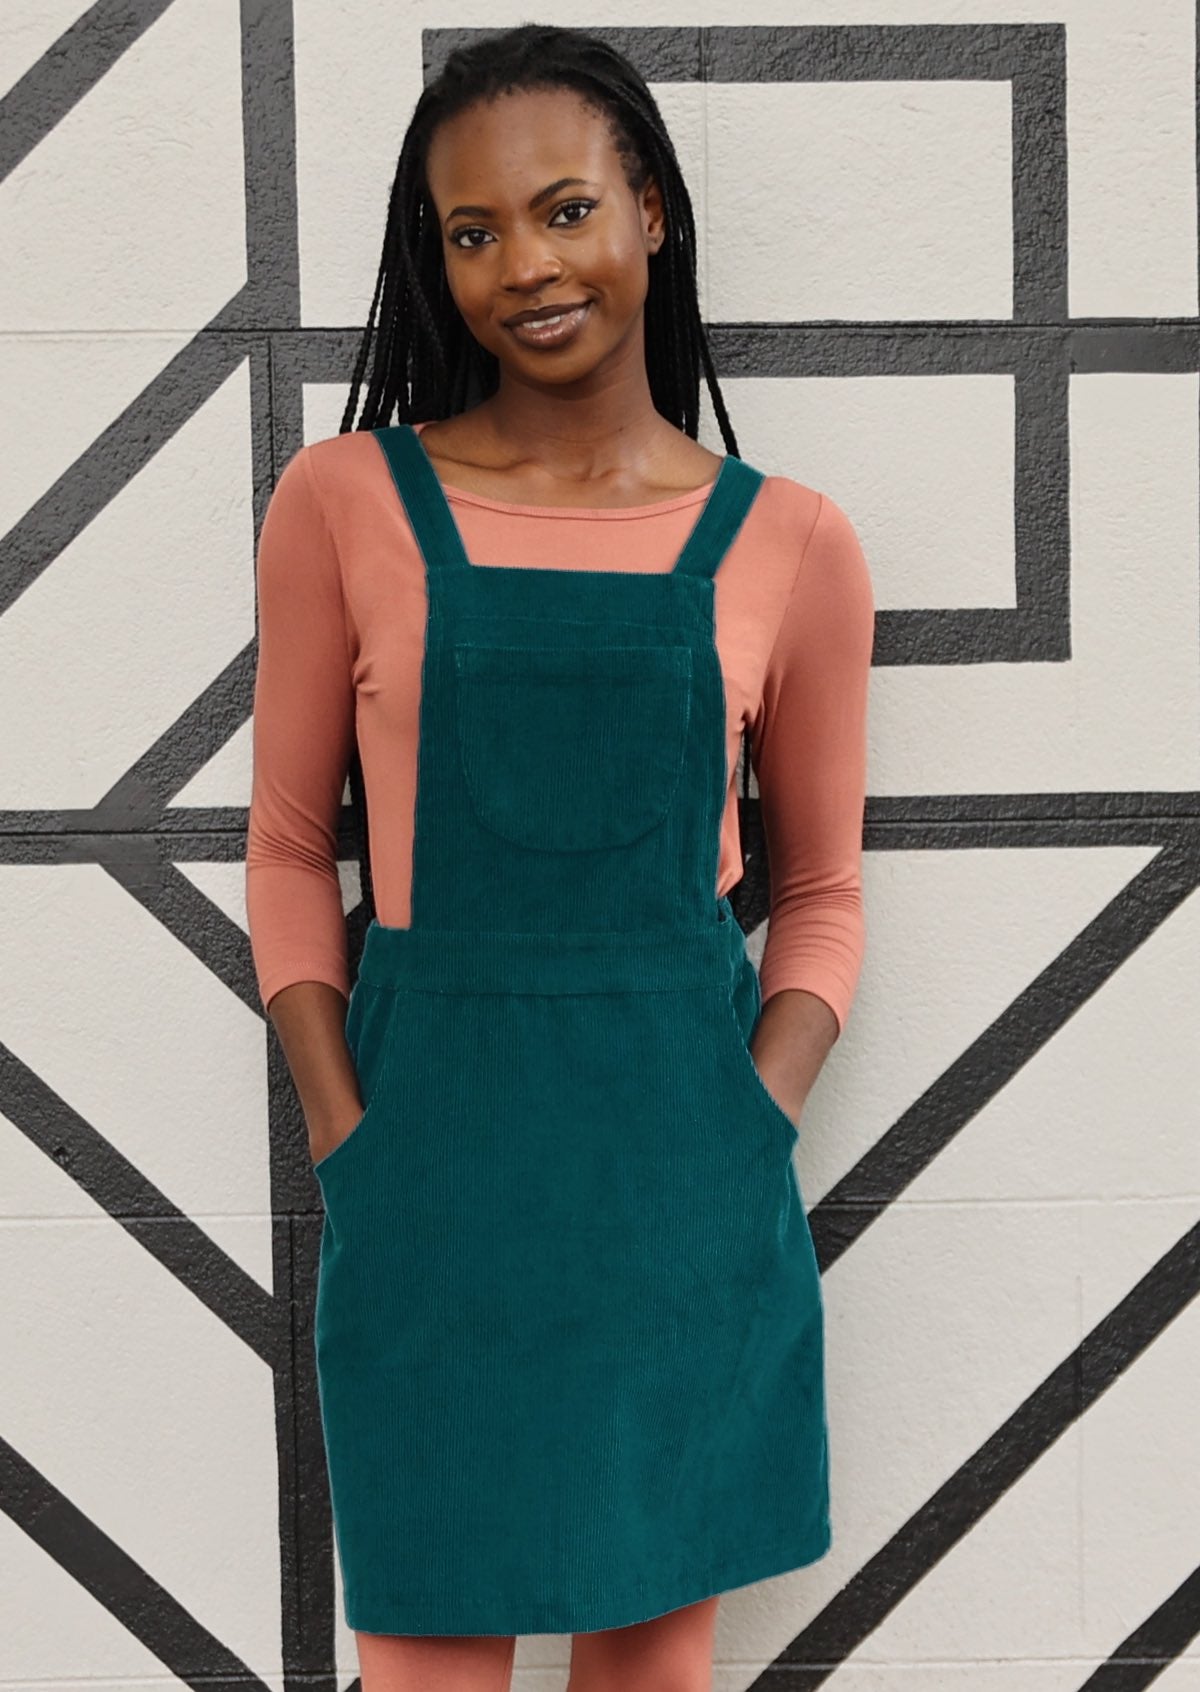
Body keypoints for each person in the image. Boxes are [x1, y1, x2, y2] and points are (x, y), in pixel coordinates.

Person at [245, 21, 874, 1692]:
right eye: (471, 233)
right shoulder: (339, 504)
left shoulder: (793, 544)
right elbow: (294, 851)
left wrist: (755, 1113)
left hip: (683, 1203)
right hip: (428, 1196)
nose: (524, 265)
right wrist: (345, 1135)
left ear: (651, 212)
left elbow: (818, 894)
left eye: (563, 208)